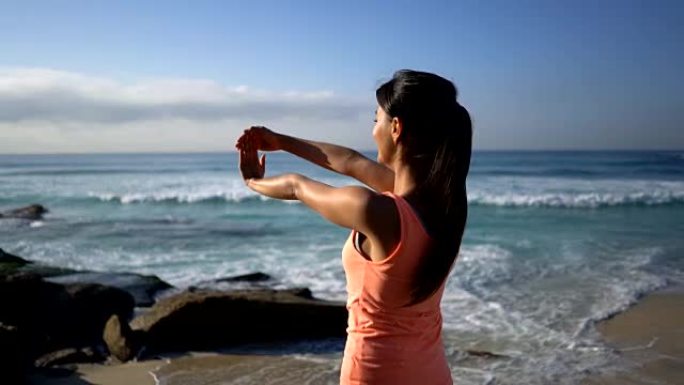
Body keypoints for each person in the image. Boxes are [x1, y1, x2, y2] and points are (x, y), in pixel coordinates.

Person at [234, 69, 472, 385]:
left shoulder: (377, 212)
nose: (374, 131)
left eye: (377, 121)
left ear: (396, 128)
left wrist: (252, 182)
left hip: (375, 373)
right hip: (432, 372)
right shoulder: (444, 207)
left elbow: (296, 186)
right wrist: (281, 142)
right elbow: (350, 161)